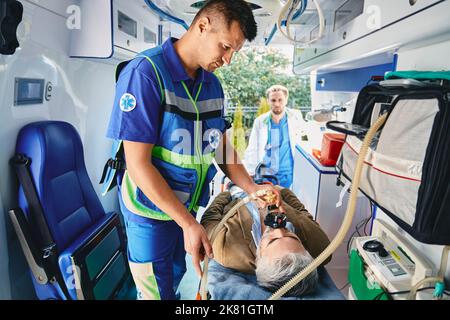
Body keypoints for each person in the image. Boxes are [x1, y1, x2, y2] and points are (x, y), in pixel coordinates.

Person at [105, 0, 279, 300]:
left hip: (183, 209)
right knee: (155, 294)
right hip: (149, 212)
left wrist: (251, 188)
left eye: (234, 52)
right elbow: (137, 164)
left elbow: (221, 146)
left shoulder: (212, 85)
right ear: (202, 26)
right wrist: (188, 224)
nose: (228, 60)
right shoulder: (145, 73)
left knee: (172, 281)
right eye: (225, 47)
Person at [200, 186, 331, 296]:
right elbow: (302, 211)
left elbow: (210, 217)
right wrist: (281, 190)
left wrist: (228, 193)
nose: (279, 230)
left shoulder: (225, 248)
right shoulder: (321, 246)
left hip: (238, 190)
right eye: (291, 236)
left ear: (259, 256)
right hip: (272, 186)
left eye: (272, 241)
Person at [244, 85, 306, 189]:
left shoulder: (296, 117)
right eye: (273, 100)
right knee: (266, 203)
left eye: (280, 100)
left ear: (286, 100)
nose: (277, 104)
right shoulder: (260, 121)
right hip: (266, 174)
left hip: (289, 173)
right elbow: (252, 149)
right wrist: (250, 172)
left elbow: (305, 141)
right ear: (268, 101)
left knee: (287, 202)